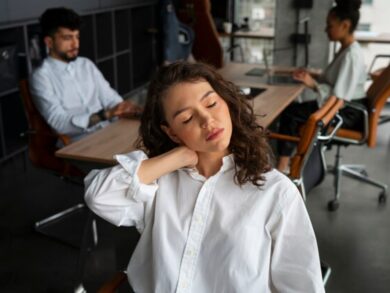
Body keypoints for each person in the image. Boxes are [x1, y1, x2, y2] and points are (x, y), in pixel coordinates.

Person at [84, 61, 325, 292]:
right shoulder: (159, 182)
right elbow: (99, 196)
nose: (207, 120)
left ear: (226, 103)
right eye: (187, 119)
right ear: (172, 133)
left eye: (211, 104)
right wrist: (178, 158)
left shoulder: (276, 192)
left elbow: (302, 284)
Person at [277, 0, 367, 172]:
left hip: (348, 113)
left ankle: (283, 166)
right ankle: (289, 161)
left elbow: (338, 98)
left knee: (290, 114)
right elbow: (334, 80)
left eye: (329, 25)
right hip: (345, 107)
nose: (326, 30)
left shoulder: (351, 56)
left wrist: (313, 85)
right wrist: (313, 75)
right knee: (293, 111)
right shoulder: (346, 50)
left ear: (345, 25)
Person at [30, 7, 141, 143]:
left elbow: (110, 98)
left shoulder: (86, 64)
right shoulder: (41, 76)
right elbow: (59, 123)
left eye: (77, 37)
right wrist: (104, 115)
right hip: (79, 142)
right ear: (49, 42)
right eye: (67, 38)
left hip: (109, 130)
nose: (75, 44)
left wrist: (124, 107)